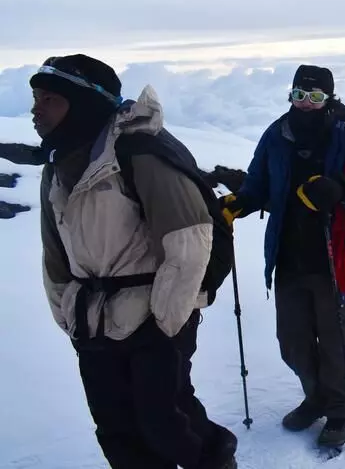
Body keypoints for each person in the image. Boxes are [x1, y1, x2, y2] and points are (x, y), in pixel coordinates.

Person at [33, 54, 237, 469]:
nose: (36, 109)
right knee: (116, 429)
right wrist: (65, 309)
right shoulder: (57, 164)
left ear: (83, 102)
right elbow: (54, 249)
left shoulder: (139, 152)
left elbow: (188, 239)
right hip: (91, 318)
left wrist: (166, 322)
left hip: (155, 315)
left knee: (165, 422)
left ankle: (217, 462)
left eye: (50, 99)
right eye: (36, 98)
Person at [220, 65, 345, 448]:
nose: (306, 105)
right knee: (291, 341)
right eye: (299, 96)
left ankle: (341, 410)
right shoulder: (276, 136)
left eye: (315, 97)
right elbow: (259, 185)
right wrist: (238, 203)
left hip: (335, 260)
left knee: (335, 343)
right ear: (290, 96)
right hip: (289, 256)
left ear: (329, 99)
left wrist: (341, 189)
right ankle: (316, 398)